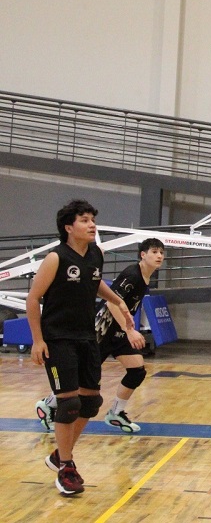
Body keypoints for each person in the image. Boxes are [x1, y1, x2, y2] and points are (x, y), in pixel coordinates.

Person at [26, 199, 132, 496]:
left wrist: (117, 300)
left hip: (86, 337)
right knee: (69, 403)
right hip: (58, 339)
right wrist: (37, 340)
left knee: (90, 402)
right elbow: (33, 299)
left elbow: (94, 282)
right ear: (69, 227)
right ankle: (67, 467)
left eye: (92, 219)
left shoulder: (96, 254)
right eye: (84, 220)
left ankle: (60, 455)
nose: (92, 225)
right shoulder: (55, 258)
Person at [36, 237, 165, 434]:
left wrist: (126, 330)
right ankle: (48, 404)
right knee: (81, 383)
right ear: (143, 255)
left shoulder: (146, 277)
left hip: (119, 332)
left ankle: (116, 413)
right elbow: (112, 303)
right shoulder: (132, 275)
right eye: (154, 252)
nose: (159, 256)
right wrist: (130, 330)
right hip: (102, 331)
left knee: (137, 370)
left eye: (162, 252)